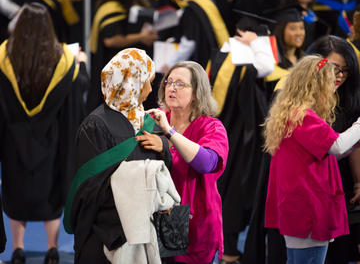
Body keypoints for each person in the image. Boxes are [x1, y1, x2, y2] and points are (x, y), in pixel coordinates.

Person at [64, 48, 174, 264]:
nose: (151, 89)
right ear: (131, 82)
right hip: (109, 233)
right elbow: (91, 187)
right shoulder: (95, 125)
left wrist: (163, 147)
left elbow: (165, 172)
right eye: (147, 81)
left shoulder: (147, 120)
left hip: (148, 227)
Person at [0, 3, 87, 264]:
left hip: (13, 141)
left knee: (16, 192)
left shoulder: (4, 57)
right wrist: (80, 65)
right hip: (51, 141)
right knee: (50, 195)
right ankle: (52, 248)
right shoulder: (63, 61)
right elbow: (80, 90)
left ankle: (17, 248)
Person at [263, 55, 360, 264]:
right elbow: (336, 146)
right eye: (330, 83)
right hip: (308, 208)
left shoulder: (291, 113)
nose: (334, 88)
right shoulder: (302, 116)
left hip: (298, 205)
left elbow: (326, 152)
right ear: (315, 85)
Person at [140, 61, 229, 263]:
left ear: (197, 92)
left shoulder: (211, 127)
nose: (171, 88)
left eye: (180, 84)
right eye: (169, 82)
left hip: (194, 223)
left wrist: (169, 134)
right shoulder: (153, 120)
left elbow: (206, 163)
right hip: (155, 217)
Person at [212, 14, 275, 264]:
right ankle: (228, 250)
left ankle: (224, 247)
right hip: (241, 136)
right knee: (235, 189)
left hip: (222, 130)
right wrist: (256, 43)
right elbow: (268, 67)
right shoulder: (242, 58)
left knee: (223, 187)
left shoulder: (221, 54)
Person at [304, 35, 360, 264]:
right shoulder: (298, 103)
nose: (339, 77)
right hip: (306, 186)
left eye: (345, 71)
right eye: (334, 69)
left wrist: (358, 181)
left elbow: (354, 145)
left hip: (338, 184)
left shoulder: (346, 97)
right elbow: (334, 147)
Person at [87, 0, 158, 112]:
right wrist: (141, 37)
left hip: (129, 69)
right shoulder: (111, 7)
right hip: (113, 66)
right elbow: (109, 40)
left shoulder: (136, 2)